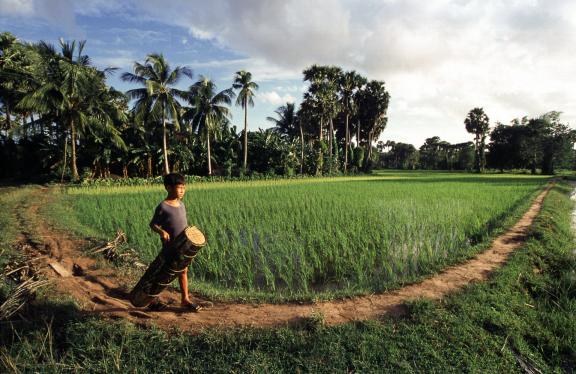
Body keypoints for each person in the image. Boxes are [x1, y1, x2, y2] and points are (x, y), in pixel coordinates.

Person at [149, 173, 202, 312]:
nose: (182, 190)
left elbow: (182, 223)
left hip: (183, 246)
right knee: (165, 273)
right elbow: (153, 224)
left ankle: (185, 299)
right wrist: (162, 232)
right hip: (170, 246)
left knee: (183, 271)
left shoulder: (182, 204)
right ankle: (152, 299)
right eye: (179, 187)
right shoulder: (163, 207)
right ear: (168, 188)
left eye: (184, 187)